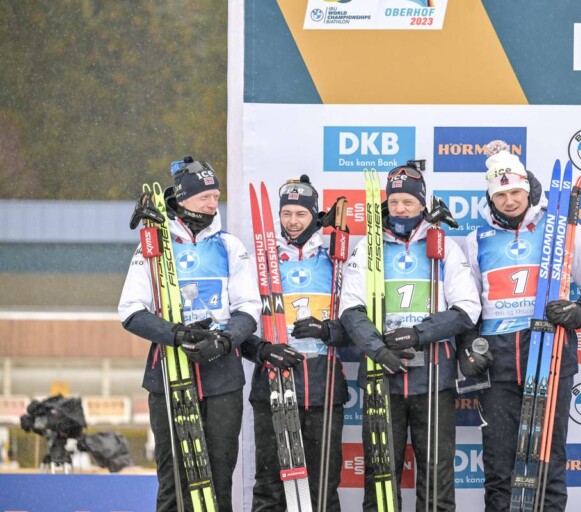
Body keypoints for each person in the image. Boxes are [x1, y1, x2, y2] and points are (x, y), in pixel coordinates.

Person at [460, 141, 581, 512]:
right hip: (497, 368)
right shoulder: (477, 239)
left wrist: (578, 312)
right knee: (498, 466)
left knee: (547, 462)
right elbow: (468, 306)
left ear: (528, 189)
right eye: (500, 195)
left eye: (515, 192)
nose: (509, 201)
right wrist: (469, 348)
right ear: (490, 198)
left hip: (550, 359)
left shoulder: (562, 230)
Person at [118, 156, 261, 511]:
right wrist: (177, 334)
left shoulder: (229, 245)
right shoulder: (155, 244)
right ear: (182, 200)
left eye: (216, 197)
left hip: (222, 375)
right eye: (204, 197)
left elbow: (249, 307)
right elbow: (130, 310)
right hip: (169, 373)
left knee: (218, 479)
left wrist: (225, 340)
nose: (212, 204)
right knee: (175, 482)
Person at [339, 162, 481, 511]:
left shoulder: (444, 247)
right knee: (381, 475)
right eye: (394, 202)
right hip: (381, 377)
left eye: (408, 202)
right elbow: (350, 310)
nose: (401, 209)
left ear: (422, 203)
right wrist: (378, 350)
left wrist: (419, 334)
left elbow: (467, 309)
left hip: (432, 379)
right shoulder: (368, 247)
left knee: (437, 475)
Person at [244, 175, 350, 512]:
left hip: (323, 389)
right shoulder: (261, 263)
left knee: (322, 486)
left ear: (314, 215)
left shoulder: (335, 261)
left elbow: (357, 328)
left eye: (301, 214)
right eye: (286, 214)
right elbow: (240, 326)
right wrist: (262, 351)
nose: (293, 221)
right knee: (270, 486)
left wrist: (327, 330)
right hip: (273, 387)